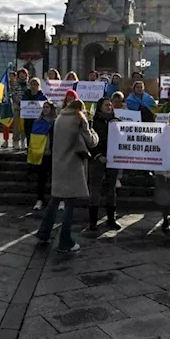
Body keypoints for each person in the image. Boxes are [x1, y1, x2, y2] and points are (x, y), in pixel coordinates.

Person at [34, 98, 98, 253]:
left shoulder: (60, 118)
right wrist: (93, 131)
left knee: (55, 200)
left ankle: (44, 233)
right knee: (70, 202)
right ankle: (65, 240)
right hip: (72, 165)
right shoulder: (79, 118)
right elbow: (91, 141)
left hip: (58, 163)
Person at [88, 97, 120, 230]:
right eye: (107, 105)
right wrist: (98, 155)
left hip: (113, 160)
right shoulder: (93, 122)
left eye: (111, 105)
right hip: (98, 160)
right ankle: (93, 221)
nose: (109, 107)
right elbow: (89, 140)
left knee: (111, 190)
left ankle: (111, 219)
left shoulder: (117, 122)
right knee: (95, 189)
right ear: (100, 107)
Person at [30, 101, 57, 210]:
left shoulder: (56, 122)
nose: (45, 109)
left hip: (54, 154)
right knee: (41, 178)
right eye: (44, 107)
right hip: (41, 155)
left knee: (55, 179)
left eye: (47, 107)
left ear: (51, 109)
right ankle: (40, 199)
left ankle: (57, 200)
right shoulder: (37, 122)